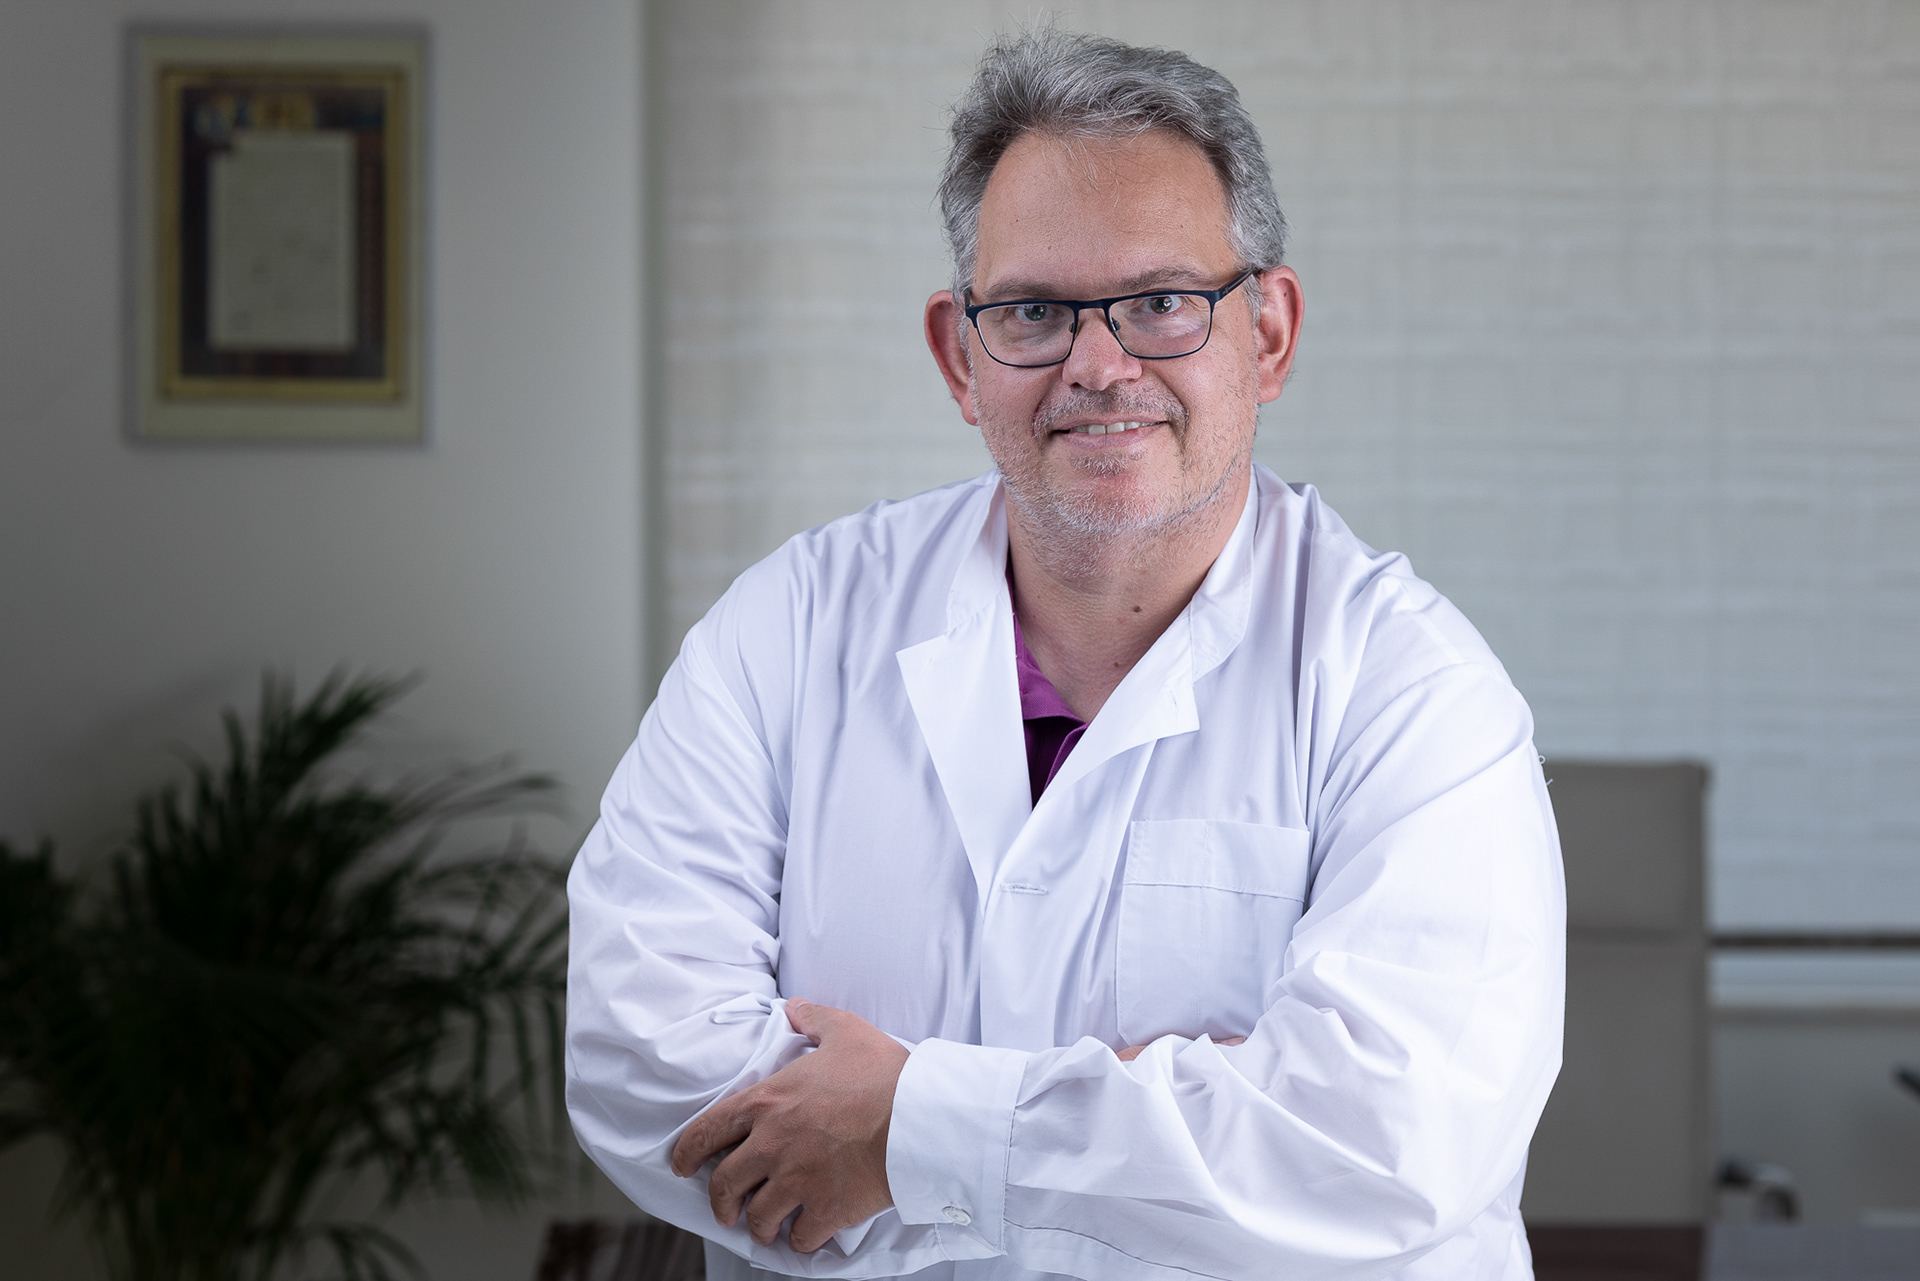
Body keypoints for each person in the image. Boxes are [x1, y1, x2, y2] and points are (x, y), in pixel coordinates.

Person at [567, 27, 1564, 1281]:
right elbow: (642, 1065)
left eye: (1162, 303)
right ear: (960, 356)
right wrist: (1168, 1142)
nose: (1100, 366)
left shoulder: (1414, 691)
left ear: (1266, 334)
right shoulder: (787, 629)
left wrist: (900, 1133)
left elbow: (1379, 1148)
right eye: (1035, 311)